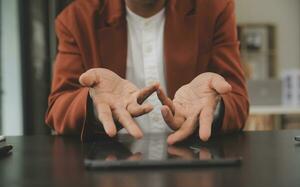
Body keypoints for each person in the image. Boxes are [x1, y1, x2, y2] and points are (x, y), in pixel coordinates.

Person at [45, 0, 249, 144]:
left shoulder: (214, 8)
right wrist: (93, 103)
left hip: (195, 165)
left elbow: (238, 102)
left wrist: (214, 107)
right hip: (110, 172)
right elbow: (58, 109)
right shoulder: (76, 19)